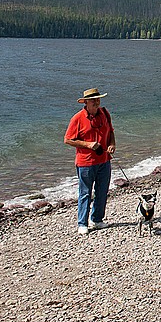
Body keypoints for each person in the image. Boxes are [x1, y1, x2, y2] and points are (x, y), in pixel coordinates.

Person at [63, 87, 116, 234]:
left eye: (98, 99)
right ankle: (82, 223)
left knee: (102, 191)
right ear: (86, 102)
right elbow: (67, 139)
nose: (97, 102)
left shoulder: (104, 113)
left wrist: (112, 144)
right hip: (85, 162)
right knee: (85, 192)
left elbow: (111, 132)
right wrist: (88, 145)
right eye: (93, 100)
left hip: (104, 160)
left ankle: (97, 220)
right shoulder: (77, 118)